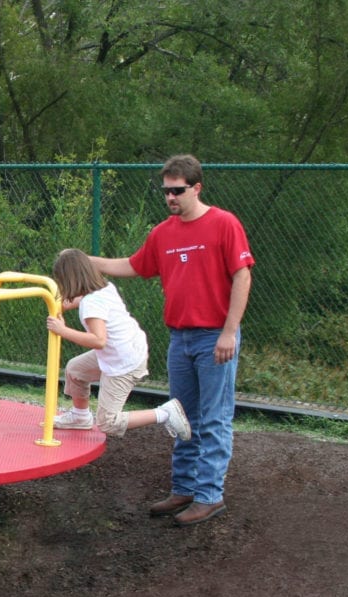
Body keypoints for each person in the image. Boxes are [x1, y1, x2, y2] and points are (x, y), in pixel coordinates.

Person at [90, 154, 255, 526]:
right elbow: (134, 265)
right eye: (166, 191)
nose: (170, 198)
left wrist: (229, 331)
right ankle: (184, 487)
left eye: (177, 191)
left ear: (196, 188)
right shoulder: (163, 232)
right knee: (182, 414)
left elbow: (242, 277)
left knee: (214, 417)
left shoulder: (224, 224)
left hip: (215, 335)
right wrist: (88, 261)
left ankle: (209, 495)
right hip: (180, 338)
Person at [45, 248, 191, 442]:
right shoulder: (104, 288)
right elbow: (84, 301)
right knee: (75, 370)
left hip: (123, 361)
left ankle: (165, 413)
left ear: (69, 279)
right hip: (127, 348)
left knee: (108, 422)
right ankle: (80, 417)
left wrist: (62, 330)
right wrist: (68, 303)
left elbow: (99, 340)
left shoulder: (91, 304)